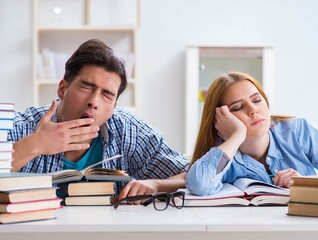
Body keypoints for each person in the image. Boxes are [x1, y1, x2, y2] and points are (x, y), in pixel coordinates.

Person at [9, 39, 188, 204]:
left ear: (114, 106)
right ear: (63, 89)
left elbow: (190, 176)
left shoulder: (129, 132)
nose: (94, 102)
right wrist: (35, 145)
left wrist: (156, 185)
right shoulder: (23, 126)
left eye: (107, 95)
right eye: (86, 87)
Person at [185, 72, 318, 196]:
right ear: (221, 118)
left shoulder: (297, 132)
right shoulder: (224, 154)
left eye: (257, 100)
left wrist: (307, 183)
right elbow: (199, 185)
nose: (253, 110)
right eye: (238, 107)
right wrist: (237, 135)